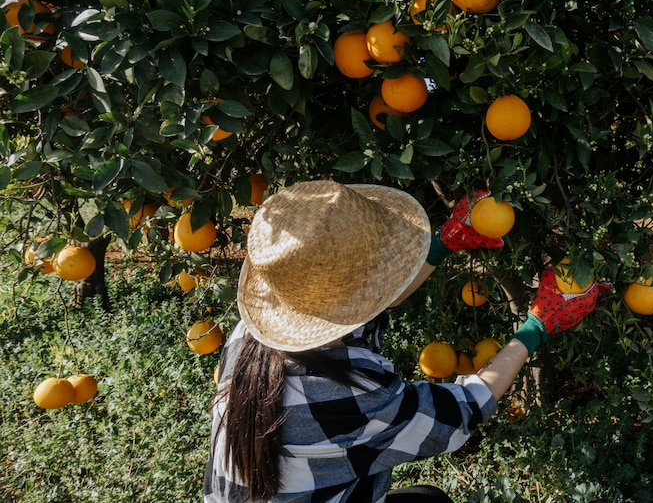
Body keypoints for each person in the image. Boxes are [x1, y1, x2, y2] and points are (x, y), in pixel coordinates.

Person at [203, 179, 604, 502]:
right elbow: (463, 409)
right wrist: (537, 325)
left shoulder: (250, 337)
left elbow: (362, 308)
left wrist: (445, 243)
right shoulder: (348, 394)